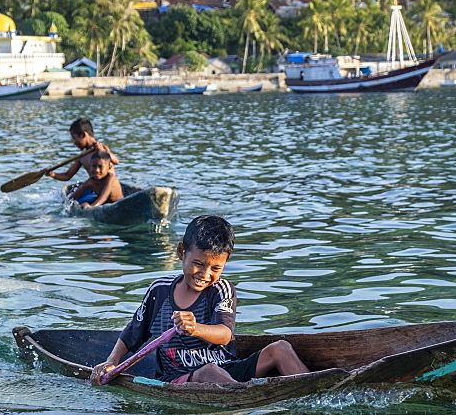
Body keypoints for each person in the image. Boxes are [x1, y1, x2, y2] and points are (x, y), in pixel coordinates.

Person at [90, 215, 309, 385]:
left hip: (227, 369)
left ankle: (313, 393)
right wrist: (111, 362)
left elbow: (224, 335)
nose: (205, 274)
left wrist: (195, 328)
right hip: (178, 378)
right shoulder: (159, 291)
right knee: (208, 372)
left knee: (280, 348)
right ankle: (243, 402)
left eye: (215, 268)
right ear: (180, 252)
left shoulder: (221, 289)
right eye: (198, 263)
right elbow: (131, 335)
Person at [41, 117, 120, 184]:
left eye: (74, 138)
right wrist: (52, 174)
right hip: (97, 190)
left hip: (110, 188)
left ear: (83, 135)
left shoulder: (102, 148)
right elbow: (68, 175)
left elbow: (116, 161)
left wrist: (103, 151)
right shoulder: (82, 157)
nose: (74, 142)